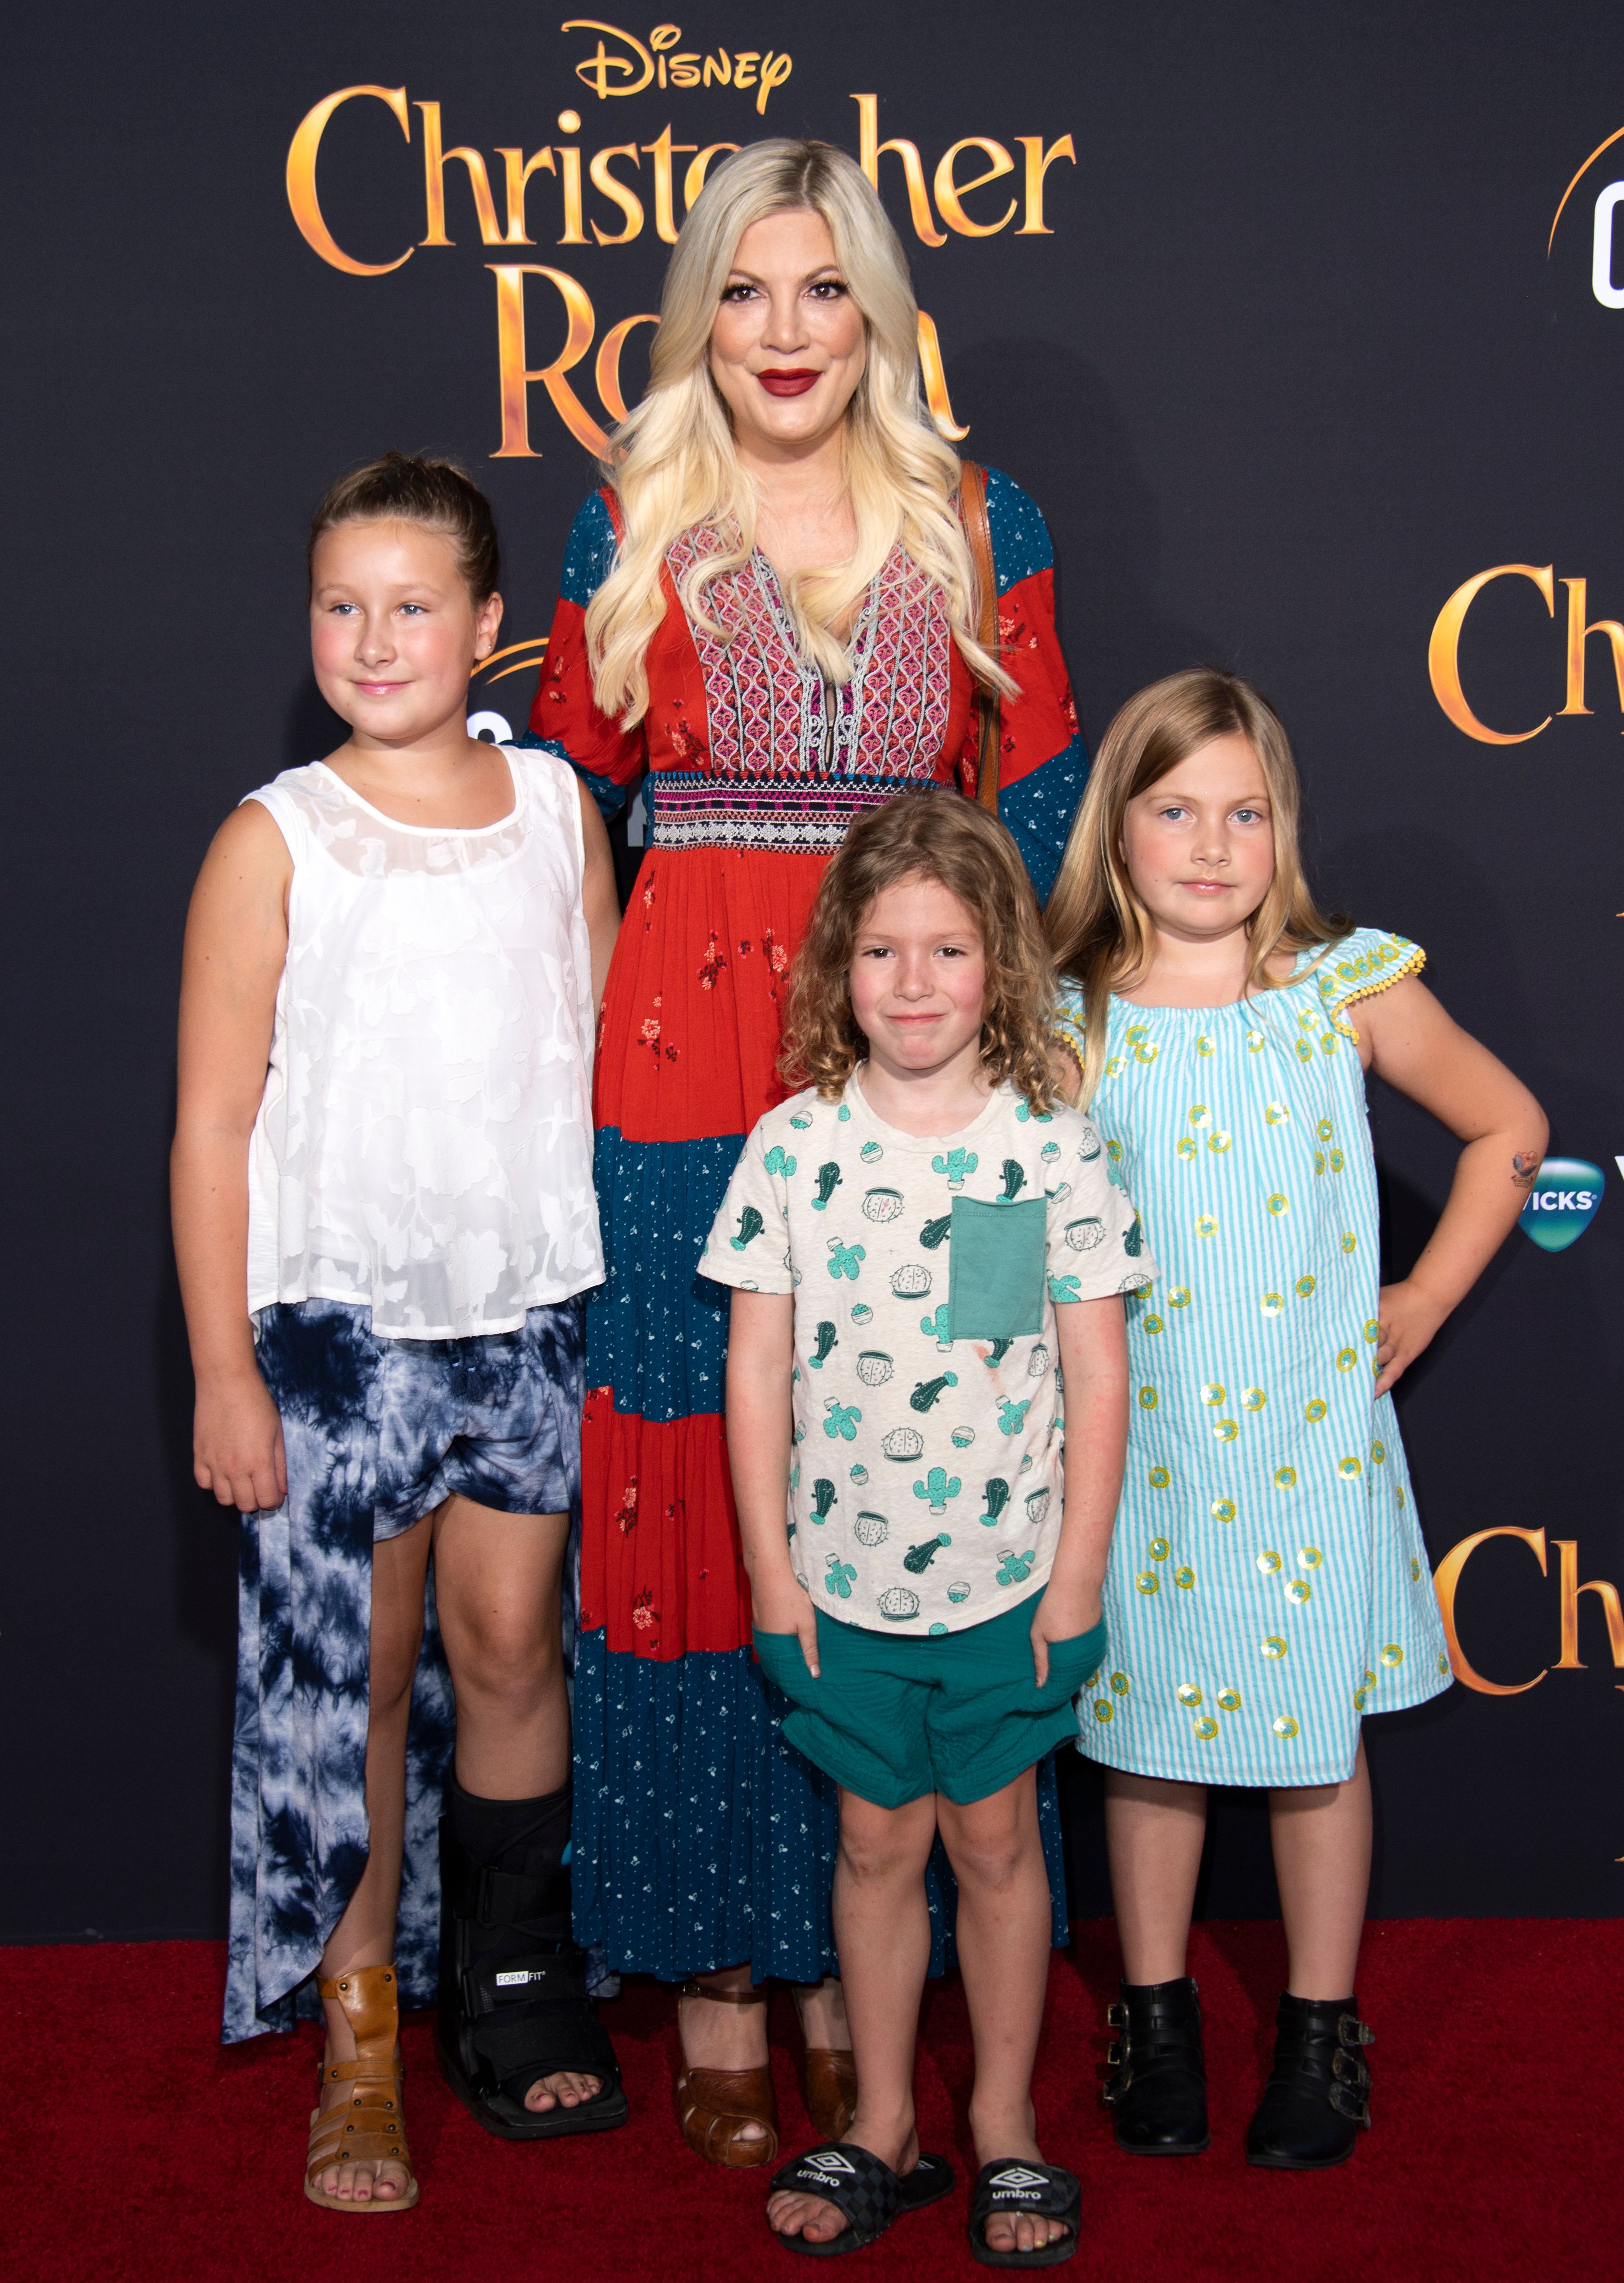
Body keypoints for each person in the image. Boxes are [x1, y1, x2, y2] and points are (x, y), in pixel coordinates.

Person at [522, 136, 1089, 2164]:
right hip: (679, 1057)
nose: (780, 332)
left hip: (915, 1063)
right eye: (743, 293)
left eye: (820, 289)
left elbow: (1029, 810)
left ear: (872, 311)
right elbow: (557, 807)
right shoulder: (630, 514)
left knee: (908, 1467)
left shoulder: (971, 511)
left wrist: (1004, 1041)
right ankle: (719, 1976)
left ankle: (878, 1968)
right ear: (705, 315)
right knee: (702, 1496)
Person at [171, 453, 624, 2212]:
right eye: (341, 605)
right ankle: (356, 2021)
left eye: (413, 603)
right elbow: (216, 1122)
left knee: (512, 1650)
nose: (374, 638)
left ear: (489, 626)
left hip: (529, 1315)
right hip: (337, 1330)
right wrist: (224, 1363)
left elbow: (598, 1059)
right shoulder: (273, 835)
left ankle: (510, 1986)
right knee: (360, 1676)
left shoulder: (555, 811)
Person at [1045, 668, 1546, 2169]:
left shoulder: (1345, 985)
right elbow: (1019, 1218)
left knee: (1317, 1745)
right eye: (1175, 811)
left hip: (1308, 1443)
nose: (1210, 846)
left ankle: (1323, 2025)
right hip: (1138, 1448)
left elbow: (1507, 1127)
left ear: (1284, 827)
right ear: (1117, 829)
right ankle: (1154, 2012)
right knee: (1148, 1744)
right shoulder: (1074, 1016)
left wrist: (1425, 1296)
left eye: (1243, 813)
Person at [701, 795, 1150, 2261]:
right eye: (882, 949)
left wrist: (1073, 1574)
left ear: (995, 964)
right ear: (839, 964)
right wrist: (773, 1569)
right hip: (839, 1592)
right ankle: (882, 2116)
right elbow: (754, 1368)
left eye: (945, 949)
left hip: (1008, 1588)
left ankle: (1006, 2121)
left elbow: (1092, 1370)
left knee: (1000, 1847)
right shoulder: (789, 1149)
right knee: (877, 1843)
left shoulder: (1049, 1152)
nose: (912, 982)